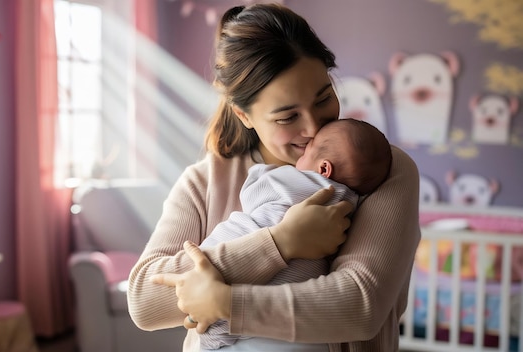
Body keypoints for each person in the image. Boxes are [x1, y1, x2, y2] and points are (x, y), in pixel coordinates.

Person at [128, 3, 420, 352]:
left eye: (324, 97)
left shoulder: (381, 169)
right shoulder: (205, 181)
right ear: (244, 115)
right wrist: (280, 244)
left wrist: (227, 304)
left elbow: (360, 305)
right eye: (287, 117)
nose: (313, 128)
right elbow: (144, 302)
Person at [198, 118, 392, 350]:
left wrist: (263, 172)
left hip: (252, 289)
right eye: (287, 116)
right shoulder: (350, 205)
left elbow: (254, 193)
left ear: (323, 169)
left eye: (307, 153)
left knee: (211, 328)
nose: (309, 131)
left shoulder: (295, 182)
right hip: (301, 307)